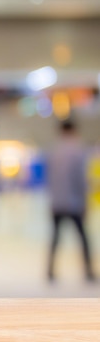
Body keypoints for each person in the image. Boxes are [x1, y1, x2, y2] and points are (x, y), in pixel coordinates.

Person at [46, 120, 95, 283]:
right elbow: (80, 179)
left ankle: (50, 271)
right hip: (74, 202)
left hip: (57, 202)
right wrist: (84, 201)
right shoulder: (78, 150)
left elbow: (50, 179)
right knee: (83, 238)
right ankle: (88, 271)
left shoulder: (54, 151)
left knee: (55, 238)